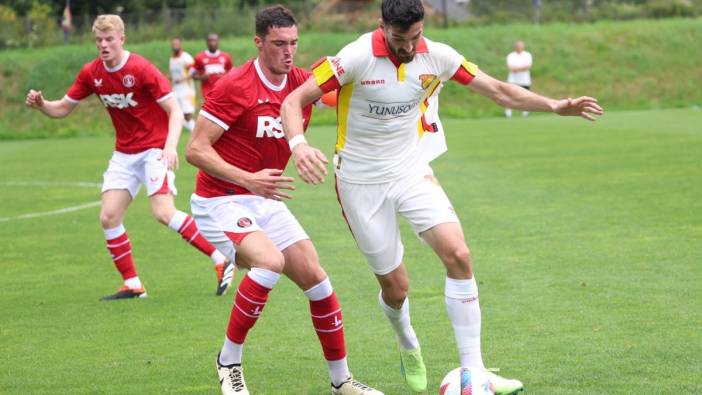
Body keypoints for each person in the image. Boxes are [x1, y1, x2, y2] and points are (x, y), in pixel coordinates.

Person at [281, 0, 603, 393]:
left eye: (415, 36)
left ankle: (475, 372)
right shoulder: (355, 57)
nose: (409, 47)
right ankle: (407, 342)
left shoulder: (439, 56)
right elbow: (293, 101)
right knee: (396, 289)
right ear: (382, 26)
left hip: (411, 169)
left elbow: (499, 91)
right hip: (360, 182)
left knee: (459, 254)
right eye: (400, 39)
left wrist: (553, 104)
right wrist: (298, 145)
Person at [185, 6, 382, 395]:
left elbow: (348, 94)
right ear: (259, 43)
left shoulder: (303, 82)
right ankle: (228, 362)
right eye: (278, 44)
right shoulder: (234, 86)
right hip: (220, 199)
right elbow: (195, 149)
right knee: (270, 262)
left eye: (293, 43)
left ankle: (341, 382)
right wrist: (248, 179)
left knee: (319, 282)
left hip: (266, 200)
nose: (288, 52)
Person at [24, 15, 235, 300]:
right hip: (124, 153)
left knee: (163, 212)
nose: (103, 45)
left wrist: (170, 147)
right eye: (99, 40)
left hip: (153, 150)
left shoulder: (140, 68)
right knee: (109, 217)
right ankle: (133, 284)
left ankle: (221, 258)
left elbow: (174, 110)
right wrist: (42, 105)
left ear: (122, 39)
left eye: (109, 39)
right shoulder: (91, 73)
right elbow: (61, 109)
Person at [192, 33, 233, 99]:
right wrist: (201, 77)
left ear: (218, 41)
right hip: (207, 94)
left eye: (215, 40)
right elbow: (193, 75)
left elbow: (231, 73)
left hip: (223, 93)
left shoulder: (226, 57)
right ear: (207, 42)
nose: (212, 43)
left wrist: (225, 77)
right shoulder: (199, 57)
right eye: (210, 41)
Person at [169, 37, 197, 132]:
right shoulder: (172, 59)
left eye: (177, 44)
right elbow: (174, 75)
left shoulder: (186, 57)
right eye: (173, 44)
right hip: (176, 90)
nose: (175, 46)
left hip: (186, 90)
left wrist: (183, 79)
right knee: (175, 112)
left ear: (181, 45)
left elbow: (193, 71)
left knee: (187, 115)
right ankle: (193, 131)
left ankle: (195, 131)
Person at [505, 40, 533, 118]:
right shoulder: (511, 55)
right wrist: (521, 68)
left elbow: (528, 66)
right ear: (515, 47)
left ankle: (525, 113)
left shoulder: (527, 55)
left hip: (525, 80)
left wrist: (517, 68)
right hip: (513, 80)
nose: (519, 47)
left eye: (521, 46)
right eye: (518, 46)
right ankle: (508, 113)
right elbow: (511, 67)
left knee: (525, 97)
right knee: (510, 96)